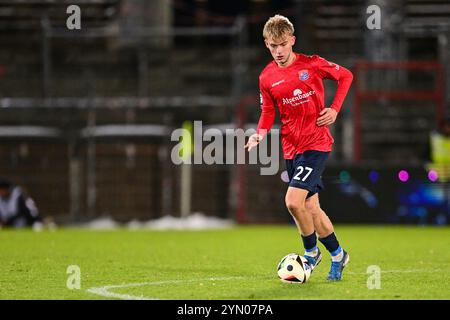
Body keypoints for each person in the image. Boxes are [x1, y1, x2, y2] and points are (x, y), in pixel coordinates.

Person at [245, 15, 353, 281]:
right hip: (291, 148)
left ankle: (312, 252)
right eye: (272, 46)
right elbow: (268, 110)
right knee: (312, 209)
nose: (278, 51)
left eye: (282, 44)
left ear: (292, 40)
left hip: (316, 143)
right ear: (266, 44)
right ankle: (339, 255)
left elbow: (346, 76)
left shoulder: (312, 65)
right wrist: (259, 134)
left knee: (293, 202)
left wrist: (335, 109)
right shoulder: (267, 77)